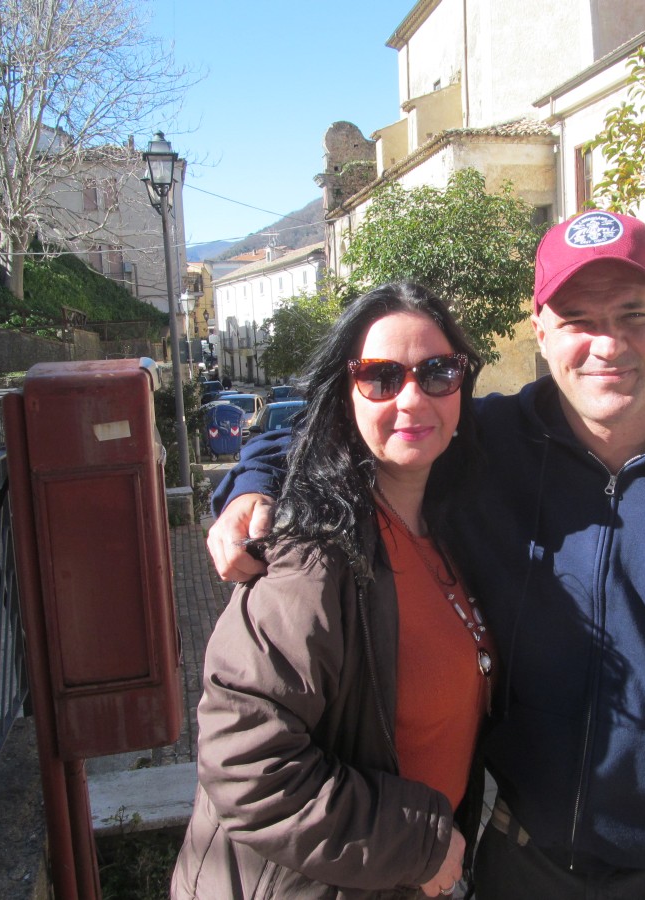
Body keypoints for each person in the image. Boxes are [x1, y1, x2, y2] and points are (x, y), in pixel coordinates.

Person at [207, 210, 645, 899]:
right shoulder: (489, 446)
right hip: (523, 864)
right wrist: (253, 482)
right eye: (577, 319)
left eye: (632, 315)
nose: (608, 344)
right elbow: (354, 424)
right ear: (540, 331)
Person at [172, 282, 495, 899]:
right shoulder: (310, 554)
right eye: (379, 377)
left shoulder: (451, 523)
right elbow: (246, 766)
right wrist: (424, 844)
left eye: (437, 371)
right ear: (344, 397)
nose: (411, 398)